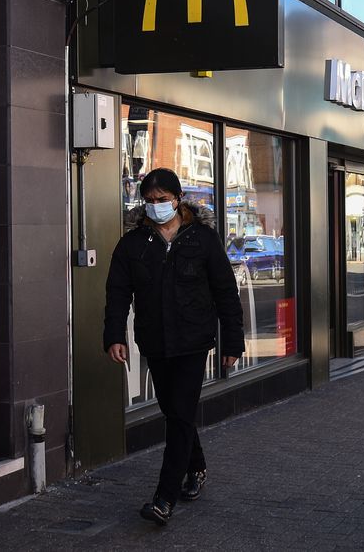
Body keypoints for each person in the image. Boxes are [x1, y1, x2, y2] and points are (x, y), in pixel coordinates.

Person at [103, 168, 245, 527]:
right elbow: (118, 294)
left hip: (193, 343)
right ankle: (195, 466)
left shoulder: (202, 239)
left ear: (178, 199)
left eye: (162, 200)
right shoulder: (133, 245)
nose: (156, 207)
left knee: (180, 415)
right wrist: (114, 336)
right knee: (175, 412)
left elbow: (226, 293)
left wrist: (233, 340)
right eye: (149, 201)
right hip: (156, 342)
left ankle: (164, 498)